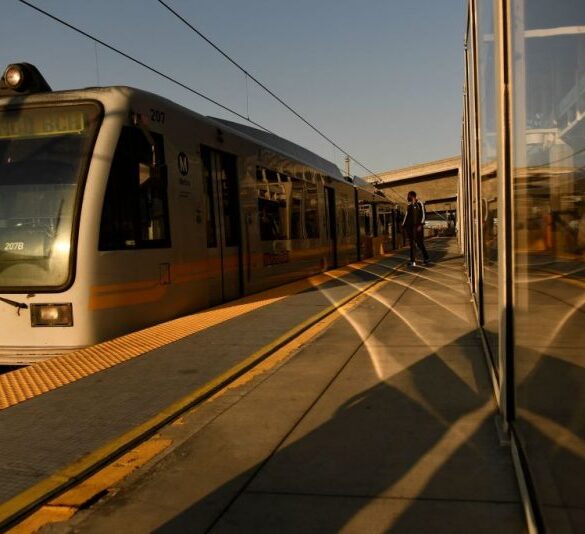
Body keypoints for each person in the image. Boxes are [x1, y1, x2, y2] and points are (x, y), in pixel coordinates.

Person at [402, 190, 429, 266]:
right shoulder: (409, 205)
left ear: (413, 196)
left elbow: (424, 214)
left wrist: (421, 224)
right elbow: (406, 216)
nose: (409, 198)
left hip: (418, 226)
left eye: (410, 196)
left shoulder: (420, 203)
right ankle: (412, 261)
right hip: (411, 227)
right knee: (412, 244)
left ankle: (426, 258)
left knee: (419, 243)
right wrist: (403, 225)